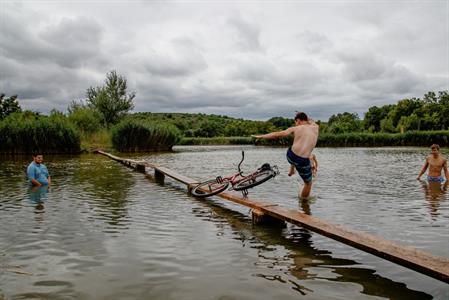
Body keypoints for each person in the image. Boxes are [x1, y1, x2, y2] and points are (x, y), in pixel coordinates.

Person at [253, 112, 319, 199]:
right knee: (308, 183)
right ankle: (304, 201)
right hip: (302, 161)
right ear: (306, 119)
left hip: (290, 156)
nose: (296, 124)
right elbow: (310, 120)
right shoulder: (316, 127)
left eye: (296, 122)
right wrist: (303, 115)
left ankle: (292, 169)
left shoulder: (295, 128)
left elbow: (277, 134)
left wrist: (261, 136)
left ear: (298, 121)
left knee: (295, 148)